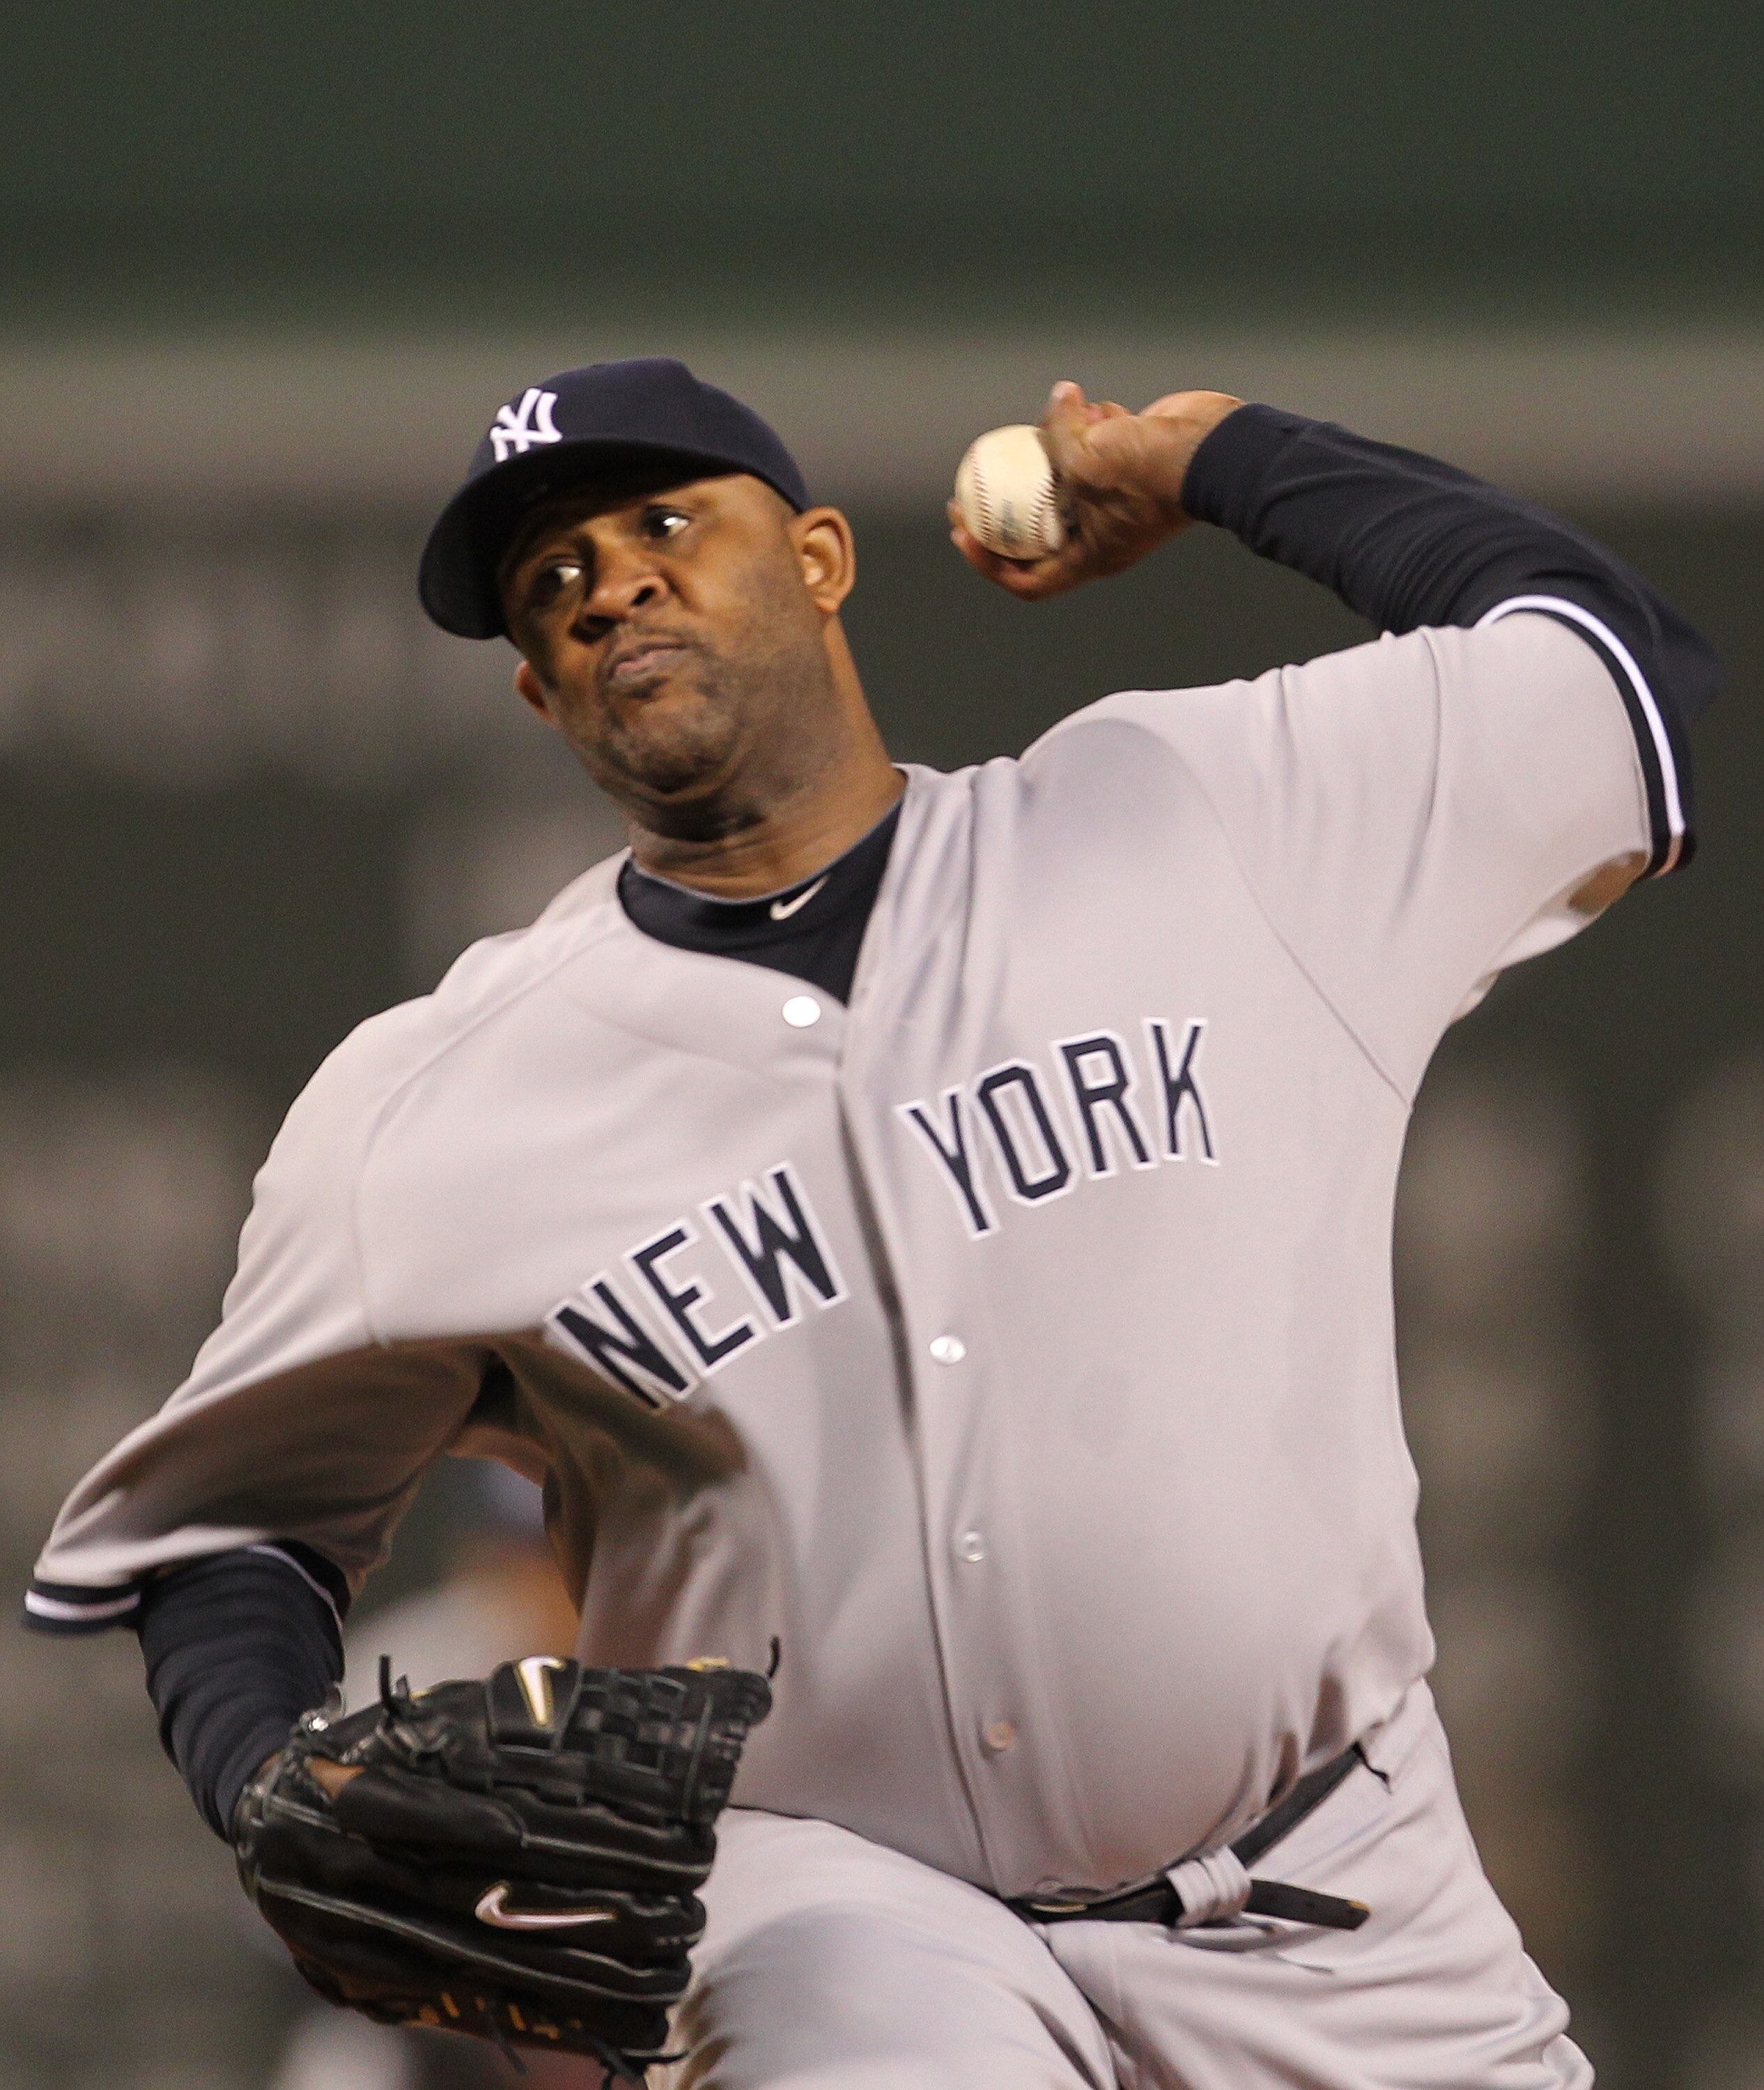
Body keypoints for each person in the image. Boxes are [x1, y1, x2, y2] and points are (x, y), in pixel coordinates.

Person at [26, 357, 1716, 2089]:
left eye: (663, 522)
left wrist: (1226, 461)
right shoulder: (432, 1107)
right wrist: (261, 1786)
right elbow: (222, 1533)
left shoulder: (1205, 823)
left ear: (824, 560)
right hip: (834, 1905)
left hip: (1335, 1884)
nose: (612, 580)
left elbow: (1614, 674)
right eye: (553, 583)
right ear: (540, 696)